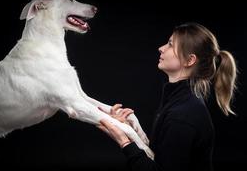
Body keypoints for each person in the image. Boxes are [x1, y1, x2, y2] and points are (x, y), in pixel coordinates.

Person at [97, 22, 238, 171]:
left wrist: (124, 141)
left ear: (189, 60)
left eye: (170, 44)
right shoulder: (178, 102)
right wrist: (130, 131)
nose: (161, 48)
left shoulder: (183, 114)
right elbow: (161, 155)